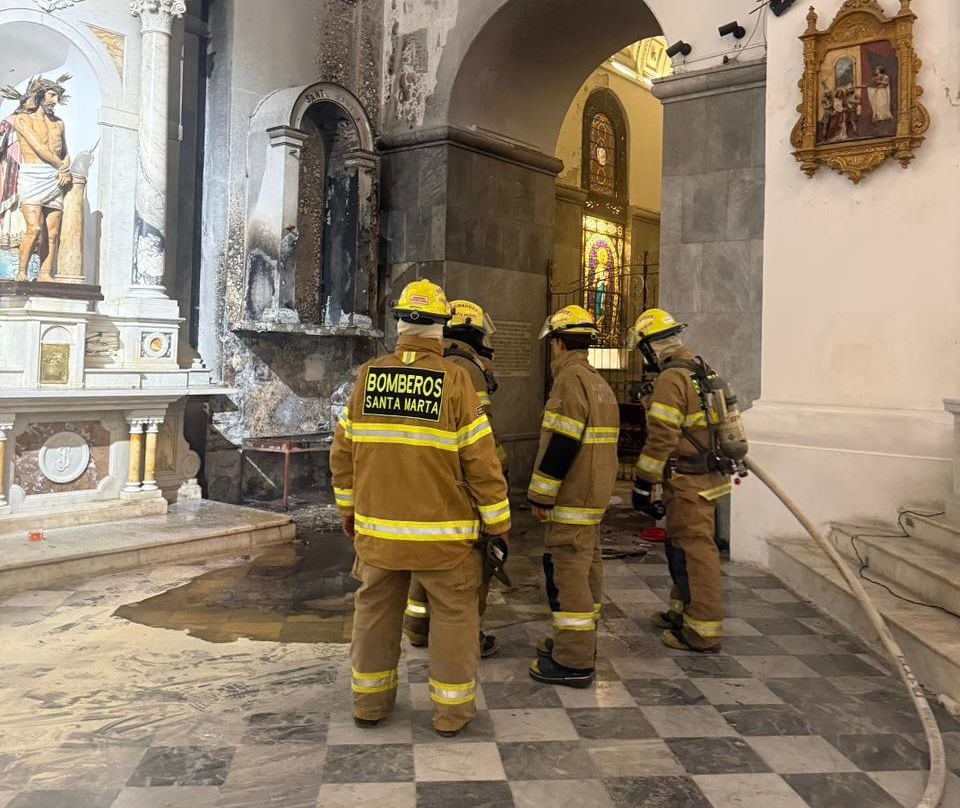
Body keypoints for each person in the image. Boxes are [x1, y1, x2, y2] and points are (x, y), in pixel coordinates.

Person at [330, 279, 510, 737]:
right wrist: (498, 523)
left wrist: (350, 513)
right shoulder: (455, 382)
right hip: (444, 537)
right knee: (454, 614)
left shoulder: (367, 377)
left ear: (399, 324)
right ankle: (451, 713)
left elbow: (342, 455)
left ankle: (369, 705)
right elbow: (481, 462)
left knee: (373, 612)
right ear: (441, 329)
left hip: (378, 534)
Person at [403, 299, 508, 657]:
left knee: (424, 554)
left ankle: (417, 625)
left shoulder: (434, 363)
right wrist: (497, 482)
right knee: (473, 567)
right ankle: (469, 636)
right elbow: (482, 441)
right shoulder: (468, 371)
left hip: (423, 481)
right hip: (460, 486)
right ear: (472, 333)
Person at [627, 308, 732, 654]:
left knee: (696, 551)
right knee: (681, 545)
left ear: (649, 348)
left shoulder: (672, 378)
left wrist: (643, 481)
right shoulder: (701, 369)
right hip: (707, 474)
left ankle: (702, 631)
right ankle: (680, 611)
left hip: (689, 480)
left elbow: (662, 437)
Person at [527, 305, 619, 688]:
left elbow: (562, 443)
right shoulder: (600, 383)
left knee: (567, 574)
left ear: (559, 344)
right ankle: (579, 643)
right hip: (593, 499)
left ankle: (573, 660)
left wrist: (540, 495)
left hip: (571, 500)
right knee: (587, 569)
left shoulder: (569, 382)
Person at [0, 75, 72, 281]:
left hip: (55, 177)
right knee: (34, 228)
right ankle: (22, 272)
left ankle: (45, 274)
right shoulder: (24, 119)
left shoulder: (59, 123)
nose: (54, 101)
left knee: (53, 233)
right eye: (51, 95)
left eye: (57, 97)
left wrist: (66, 163)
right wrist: (62, 167)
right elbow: (37, 147)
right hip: (33, 175)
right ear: (40, 95)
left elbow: (65, 150)